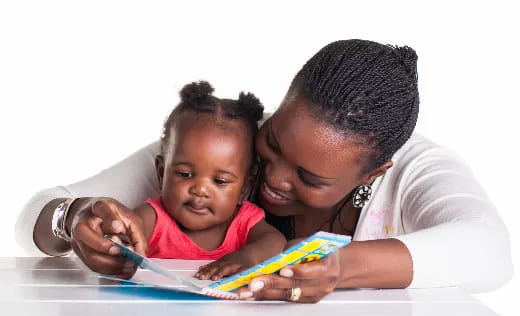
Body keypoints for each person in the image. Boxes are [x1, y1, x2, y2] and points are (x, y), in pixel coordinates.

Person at [17, 39, 513, 302]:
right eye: (272, 143)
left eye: (310, 179)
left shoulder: (413, 169)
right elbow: (33, 219)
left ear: (371, 174)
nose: (273, 178)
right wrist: (75, 217)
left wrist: (340, 269)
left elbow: (490, 253)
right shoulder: (222, 147)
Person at [105, 80, 285, 280]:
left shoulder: (243, 222)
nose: (200, 189)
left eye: (220, 181)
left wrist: (247, 256)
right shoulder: (154, 218)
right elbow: (128, 229)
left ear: (244, 188)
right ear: (162, 172)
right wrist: (121, 245)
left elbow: (275, 240)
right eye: (185, 174)